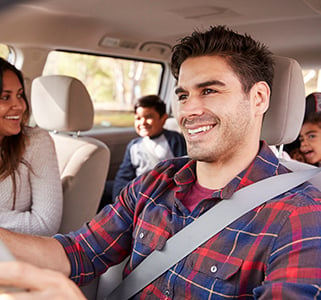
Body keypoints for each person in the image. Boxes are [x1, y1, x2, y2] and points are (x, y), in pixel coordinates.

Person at [1, 25, 321, 299]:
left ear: (259, 99)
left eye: (209, 91)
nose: (188, 111)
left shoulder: (300, 214)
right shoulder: (157, 181)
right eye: (183, 95)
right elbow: (77, 252)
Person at [0, 57, 62, 236]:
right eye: (5, 97)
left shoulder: (35, 142)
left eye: (19, 95)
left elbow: (45, 224)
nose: (19, 105)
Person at [100, 94, 186, 208]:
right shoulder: (133, 146)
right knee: (100, 188)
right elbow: (123, 175)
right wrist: (119, 199)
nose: (143, 122)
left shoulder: (174, 140)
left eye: (149, 117)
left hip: (162, 189)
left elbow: (183, 169)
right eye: (138, 118)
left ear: (163, 119)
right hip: (138, 188)